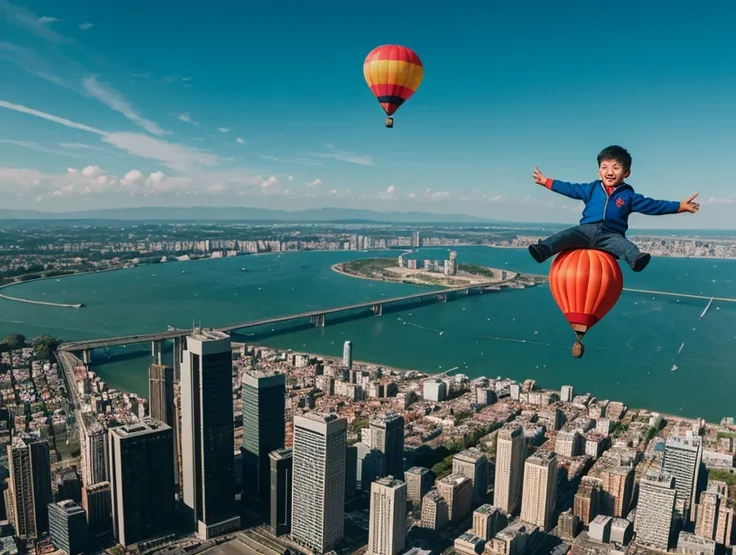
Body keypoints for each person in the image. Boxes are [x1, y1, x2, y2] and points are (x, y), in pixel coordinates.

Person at [528, 145, 700, 272]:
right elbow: (570, 188)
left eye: (616, 168)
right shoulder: (591, 188)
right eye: (604, 167)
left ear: (627, 172)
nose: (609, 172)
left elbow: (653, 205)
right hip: (585, 230)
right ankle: (543, 249)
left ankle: (635, 259)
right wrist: (547, 182)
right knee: (565, 236)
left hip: (611, 234)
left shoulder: (629, 196)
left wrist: (680, 206)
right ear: (598, 171)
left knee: (626, 247)